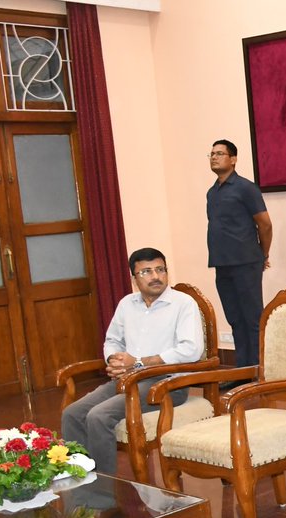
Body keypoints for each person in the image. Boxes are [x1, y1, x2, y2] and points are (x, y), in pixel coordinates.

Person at [61, 248, 201, 475]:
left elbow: (191, 350)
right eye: (146, 271)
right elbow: (113, 340)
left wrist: (138, 363)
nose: (155, 276)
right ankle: (80, 479)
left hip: (166, 384)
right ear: (134, 279)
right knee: (72, 414)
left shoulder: (183, 304)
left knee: (99, 416)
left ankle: (102, 490)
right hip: (128, 379)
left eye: (160, 269)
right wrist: (114, 360)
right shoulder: (127, 303)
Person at [206, 139, 272, 373]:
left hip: (246, 262)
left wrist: (263, 254)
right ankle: (241, 372)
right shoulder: (212, 192)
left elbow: (264, 224)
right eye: (212, 154)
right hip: (222, 264)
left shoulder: (246, 188)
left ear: (233, 159)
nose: (214, 157)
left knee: (252, 319)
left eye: (220, 153)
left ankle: (256, 371)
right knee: (235, 318)